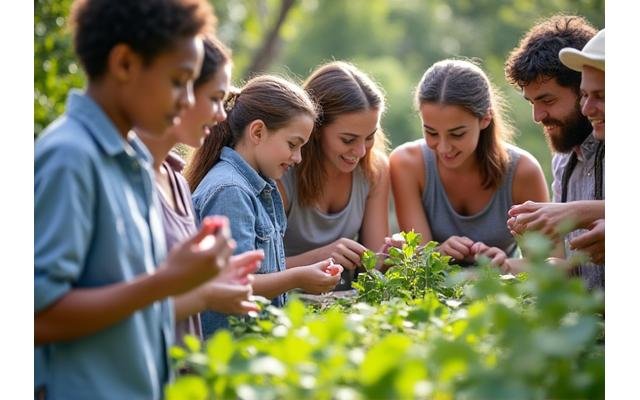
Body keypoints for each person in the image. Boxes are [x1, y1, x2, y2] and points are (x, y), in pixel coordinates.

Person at [34, 1, 231, 399]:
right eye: (179, 81)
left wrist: (190, 278)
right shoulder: (69, 156)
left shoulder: (135, 161)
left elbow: (131, 307)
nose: (185, 100)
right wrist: (166, 281)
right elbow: (36, 316)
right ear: (124, 63)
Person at [185, 75, 343, 337]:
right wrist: (298, 278)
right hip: (227, 352)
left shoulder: (261, 187)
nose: (298, 158)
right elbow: (233, 283)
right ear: (258, 132)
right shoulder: (230, 191)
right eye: (293, 145)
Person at [137, 35, 263, 345]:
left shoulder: (176, 179)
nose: (222, 114)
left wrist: (211, 276)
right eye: (215, 97)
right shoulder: (108, 170)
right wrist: (204, 295)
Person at [390, 59, 549, 268]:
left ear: (485, 119)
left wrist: (505, 266)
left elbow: (550, 263)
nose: (444, 147)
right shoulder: (407, 164)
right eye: (431, 132)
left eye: (457, 134)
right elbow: (416, 259)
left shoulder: (523, 171)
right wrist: (438, 254)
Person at [504, 16, 604, 289]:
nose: (538, 116)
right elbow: (570, 269)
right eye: (532, 103)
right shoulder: (563, 160)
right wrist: (502, 266)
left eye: (547, 100)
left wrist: (574, 212)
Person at [276, 61, 392, 289]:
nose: (360, 152)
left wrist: (391, 256)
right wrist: (321, 256)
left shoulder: (374, 170)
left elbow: (374, 267)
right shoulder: (282, 171)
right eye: (348, 140)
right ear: (316, 129)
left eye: (369, 137)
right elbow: (257, 272)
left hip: (345, 305)